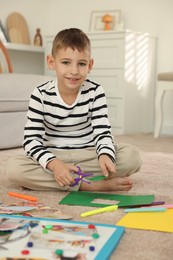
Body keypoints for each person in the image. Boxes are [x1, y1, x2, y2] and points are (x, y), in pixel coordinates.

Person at [6, 28, 142, 192]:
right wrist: (55, 165)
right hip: (55, 156)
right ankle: (90, 185)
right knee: (14, 168)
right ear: (51, 62)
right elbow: (31, 140)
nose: (74, 71)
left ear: (90, 65)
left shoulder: (95, 92)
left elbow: (103, 132)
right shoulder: (40, 94)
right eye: (66, 62)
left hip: (89, 154)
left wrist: (105, 155)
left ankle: (66, 180)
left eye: (81, 64)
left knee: (132, 156)